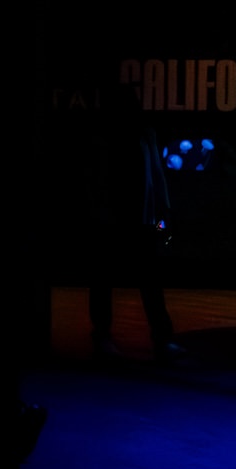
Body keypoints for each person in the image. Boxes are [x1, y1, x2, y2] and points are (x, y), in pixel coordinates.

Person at [87, 83, 190, 364]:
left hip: (138, 217)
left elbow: (156, 174)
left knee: (148, 279)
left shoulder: (144, 133)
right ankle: (104, 337)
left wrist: (164, 210)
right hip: (110, 218)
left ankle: (161, 339)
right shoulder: (102, 137)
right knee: (106, 278)